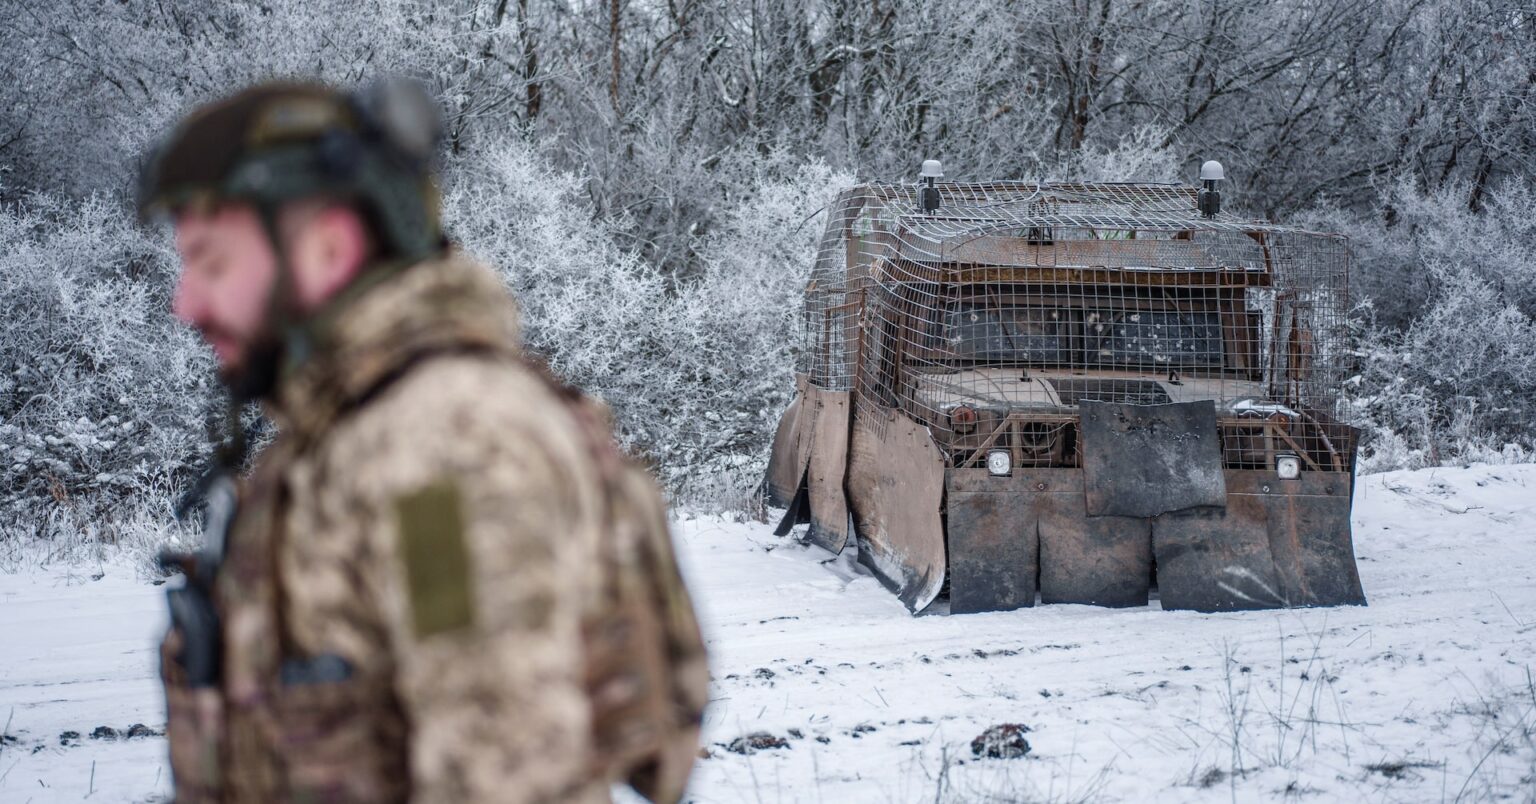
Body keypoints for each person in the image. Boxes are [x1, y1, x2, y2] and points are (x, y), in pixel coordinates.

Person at [139, 80, 707, 803]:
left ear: (328, 249)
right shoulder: (343, 434)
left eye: (212, 262)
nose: (185, 303)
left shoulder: (444, 447)